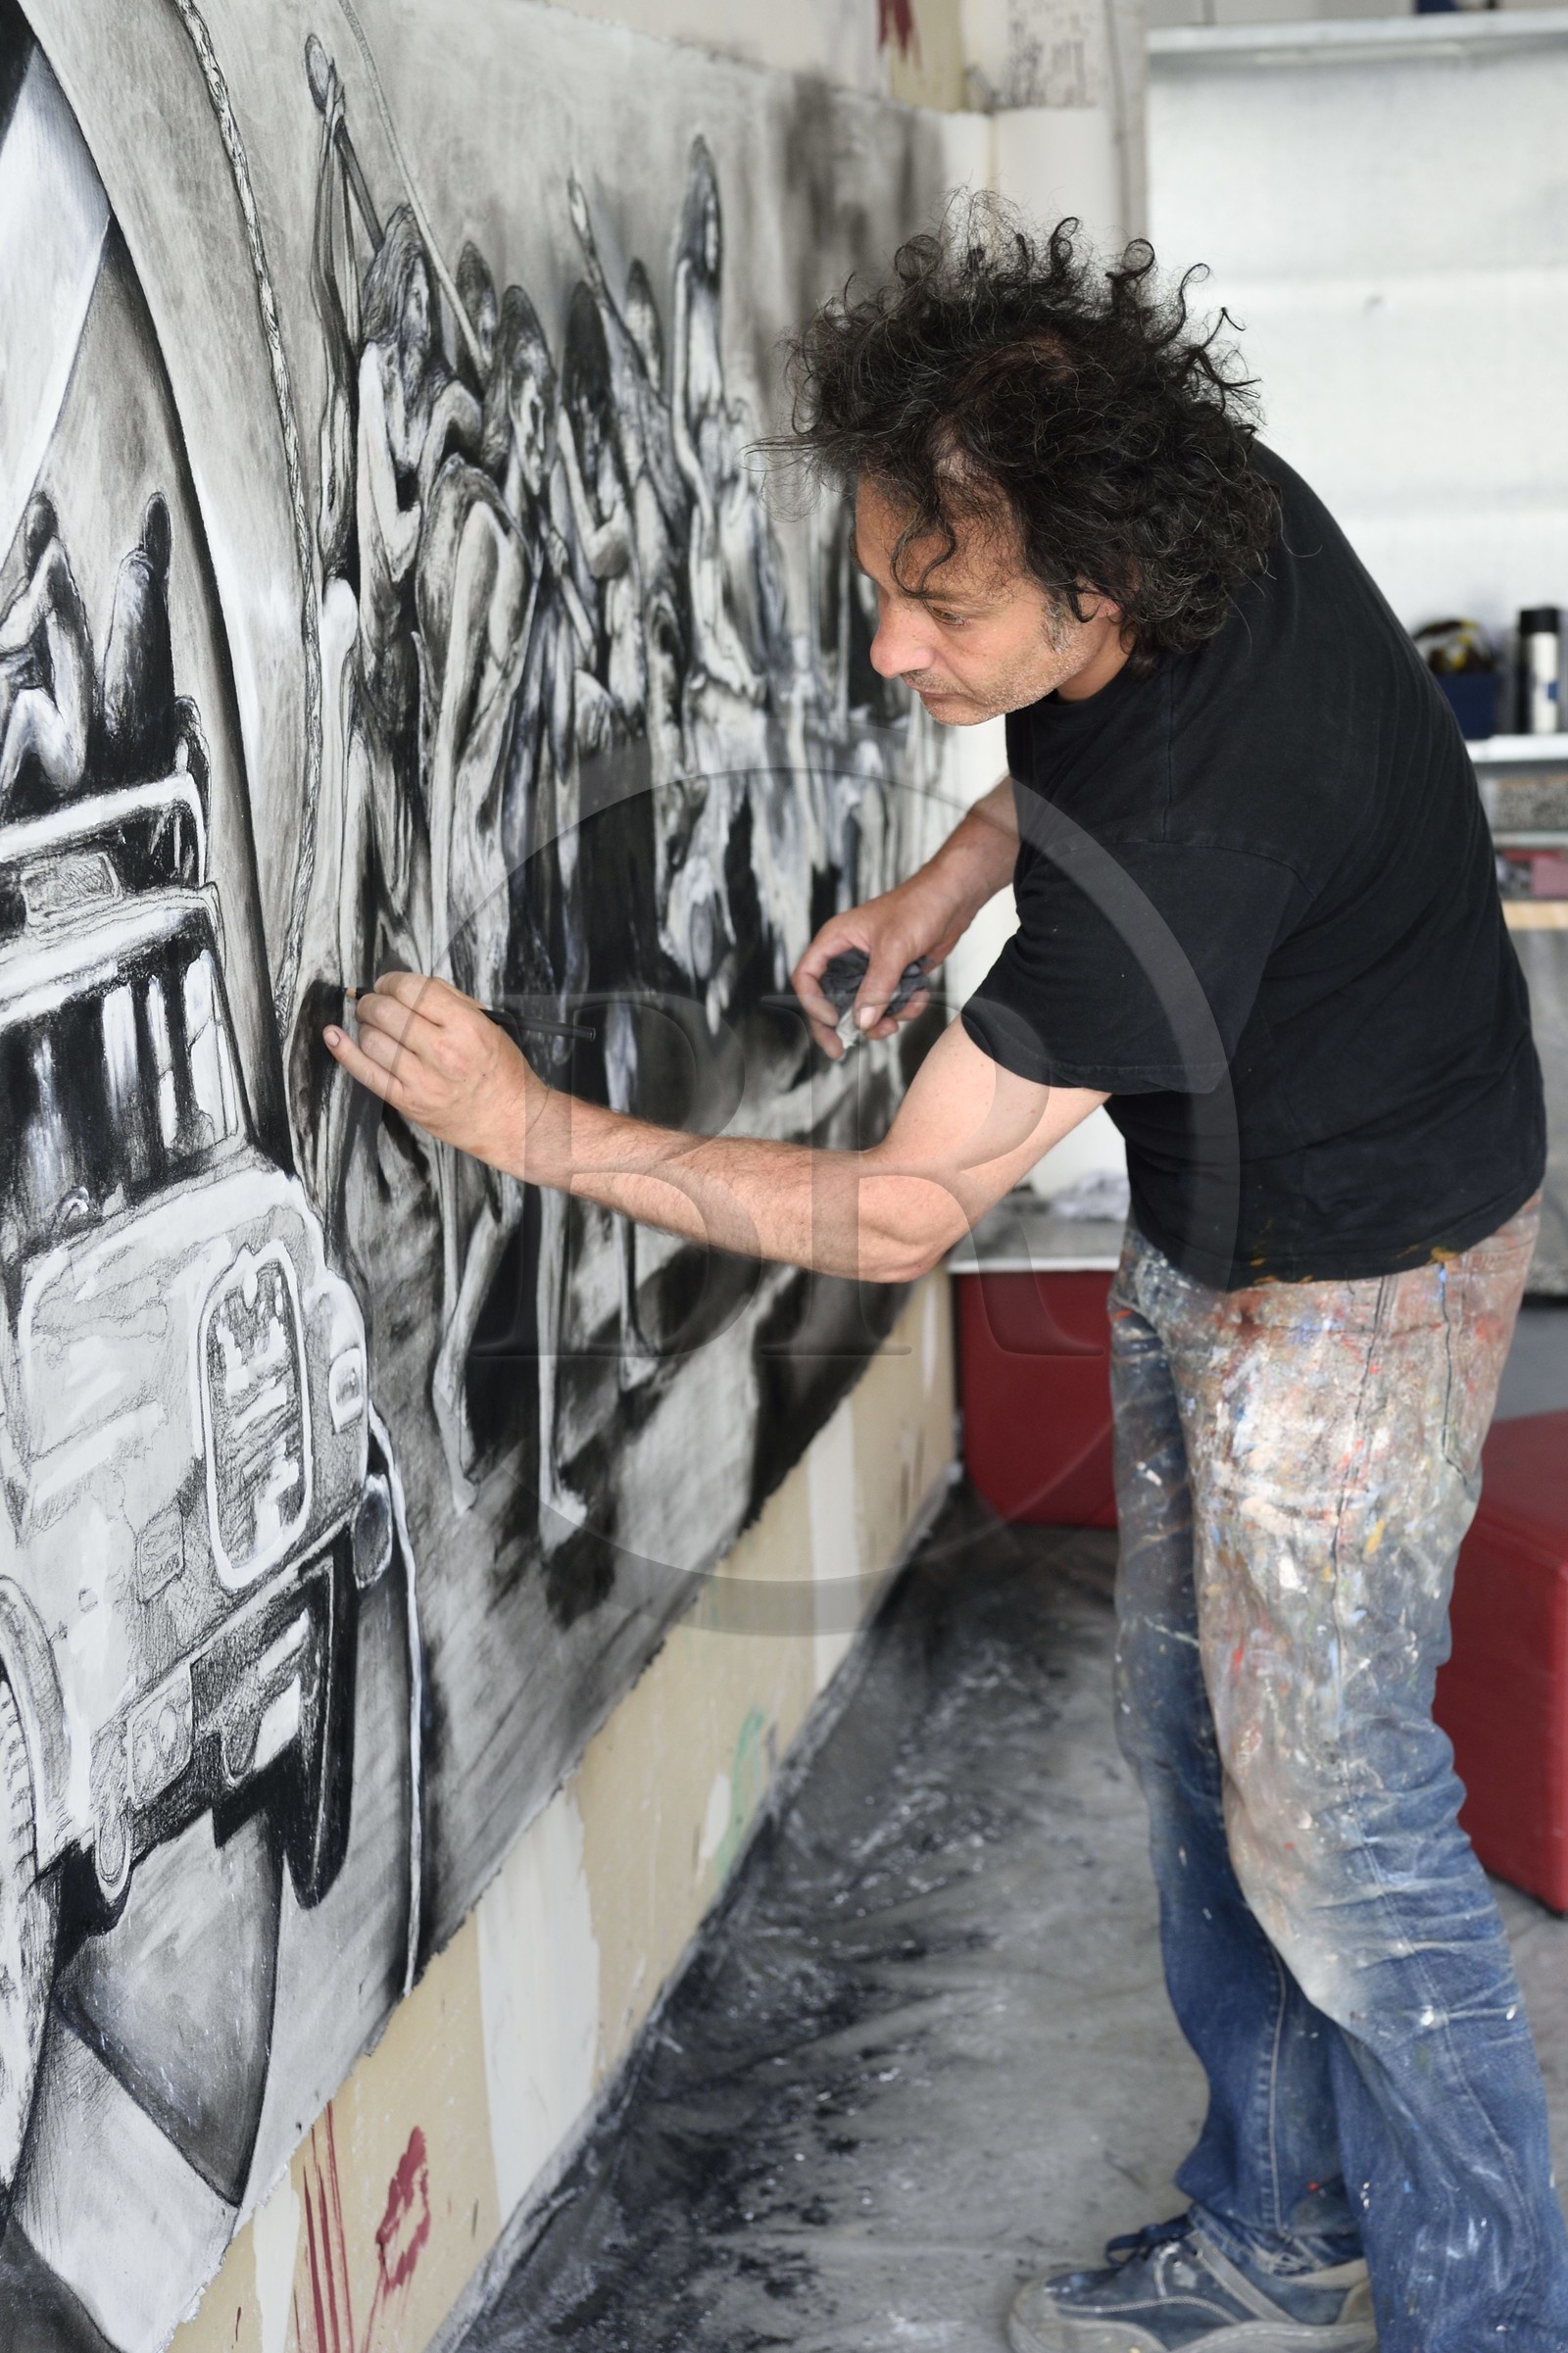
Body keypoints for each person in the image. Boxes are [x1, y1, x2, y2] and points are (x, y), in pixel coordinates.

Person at [323, 203, 1565, 2353]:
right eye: (883, 574)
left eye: (934, 598)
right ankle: (1276, 2226)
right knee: (1197, 1750)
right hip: (1229, 1218)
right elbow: (1054, 757)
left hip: (1358, 1283)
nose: (887, 645)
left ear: (1088, 586)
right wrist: (930, 886)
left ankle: (1496, 2316)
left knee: (1337, 1827)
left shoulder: (1196, 823)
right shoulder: (1183, 518)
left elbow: (901, 1216)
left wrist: (528, 1134)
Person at [0, 493, 93, 815]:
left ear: (49, 533)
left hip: (68, 759)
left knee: (27, 703)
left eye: (36, 534)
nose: (30, 546)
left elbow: (16, 630)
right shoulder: (39, 583)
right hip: (58, 749)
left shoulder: (54, 564)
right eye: (29, 536)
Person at [98, 491, 177, 784]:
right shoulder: (142, 579)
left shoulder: (138, 577)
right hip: (138, 750)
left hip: (123, 745)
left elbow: (119, 675)